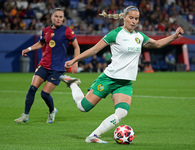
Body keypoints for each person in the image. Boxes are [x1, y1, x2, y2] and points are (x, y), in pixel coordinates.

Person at [60, 6, 184, 143]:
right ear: (124, 17)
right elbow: (94, 49)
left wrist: (174, 36)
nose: (133, 21)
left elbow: (157, 44)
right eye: (131, 18)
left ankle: (93, 136)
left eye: (136, 19)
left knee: (122, 112)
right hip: (109, 78)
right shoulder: (116, 33)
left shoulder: (139, 36)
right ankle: (72, 84)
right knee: (83, 107)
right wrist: (74, 60)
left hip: (125, 83)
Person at [14, 8, 80, 124]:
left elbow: (77, 47)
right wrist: (28, 49)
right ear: (51, 17)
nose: (58, 19)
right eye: (56, 16)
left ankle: (52, 111)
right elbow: (41, 43)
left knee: (44, 94)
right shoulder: (45, 30)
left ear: (63, 18)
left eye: (60, 17)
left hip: (57, 68)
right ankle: (25, 115)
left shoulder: (67, 31)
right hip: (44, 65)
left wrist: (75, 62)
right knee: (32, 89)